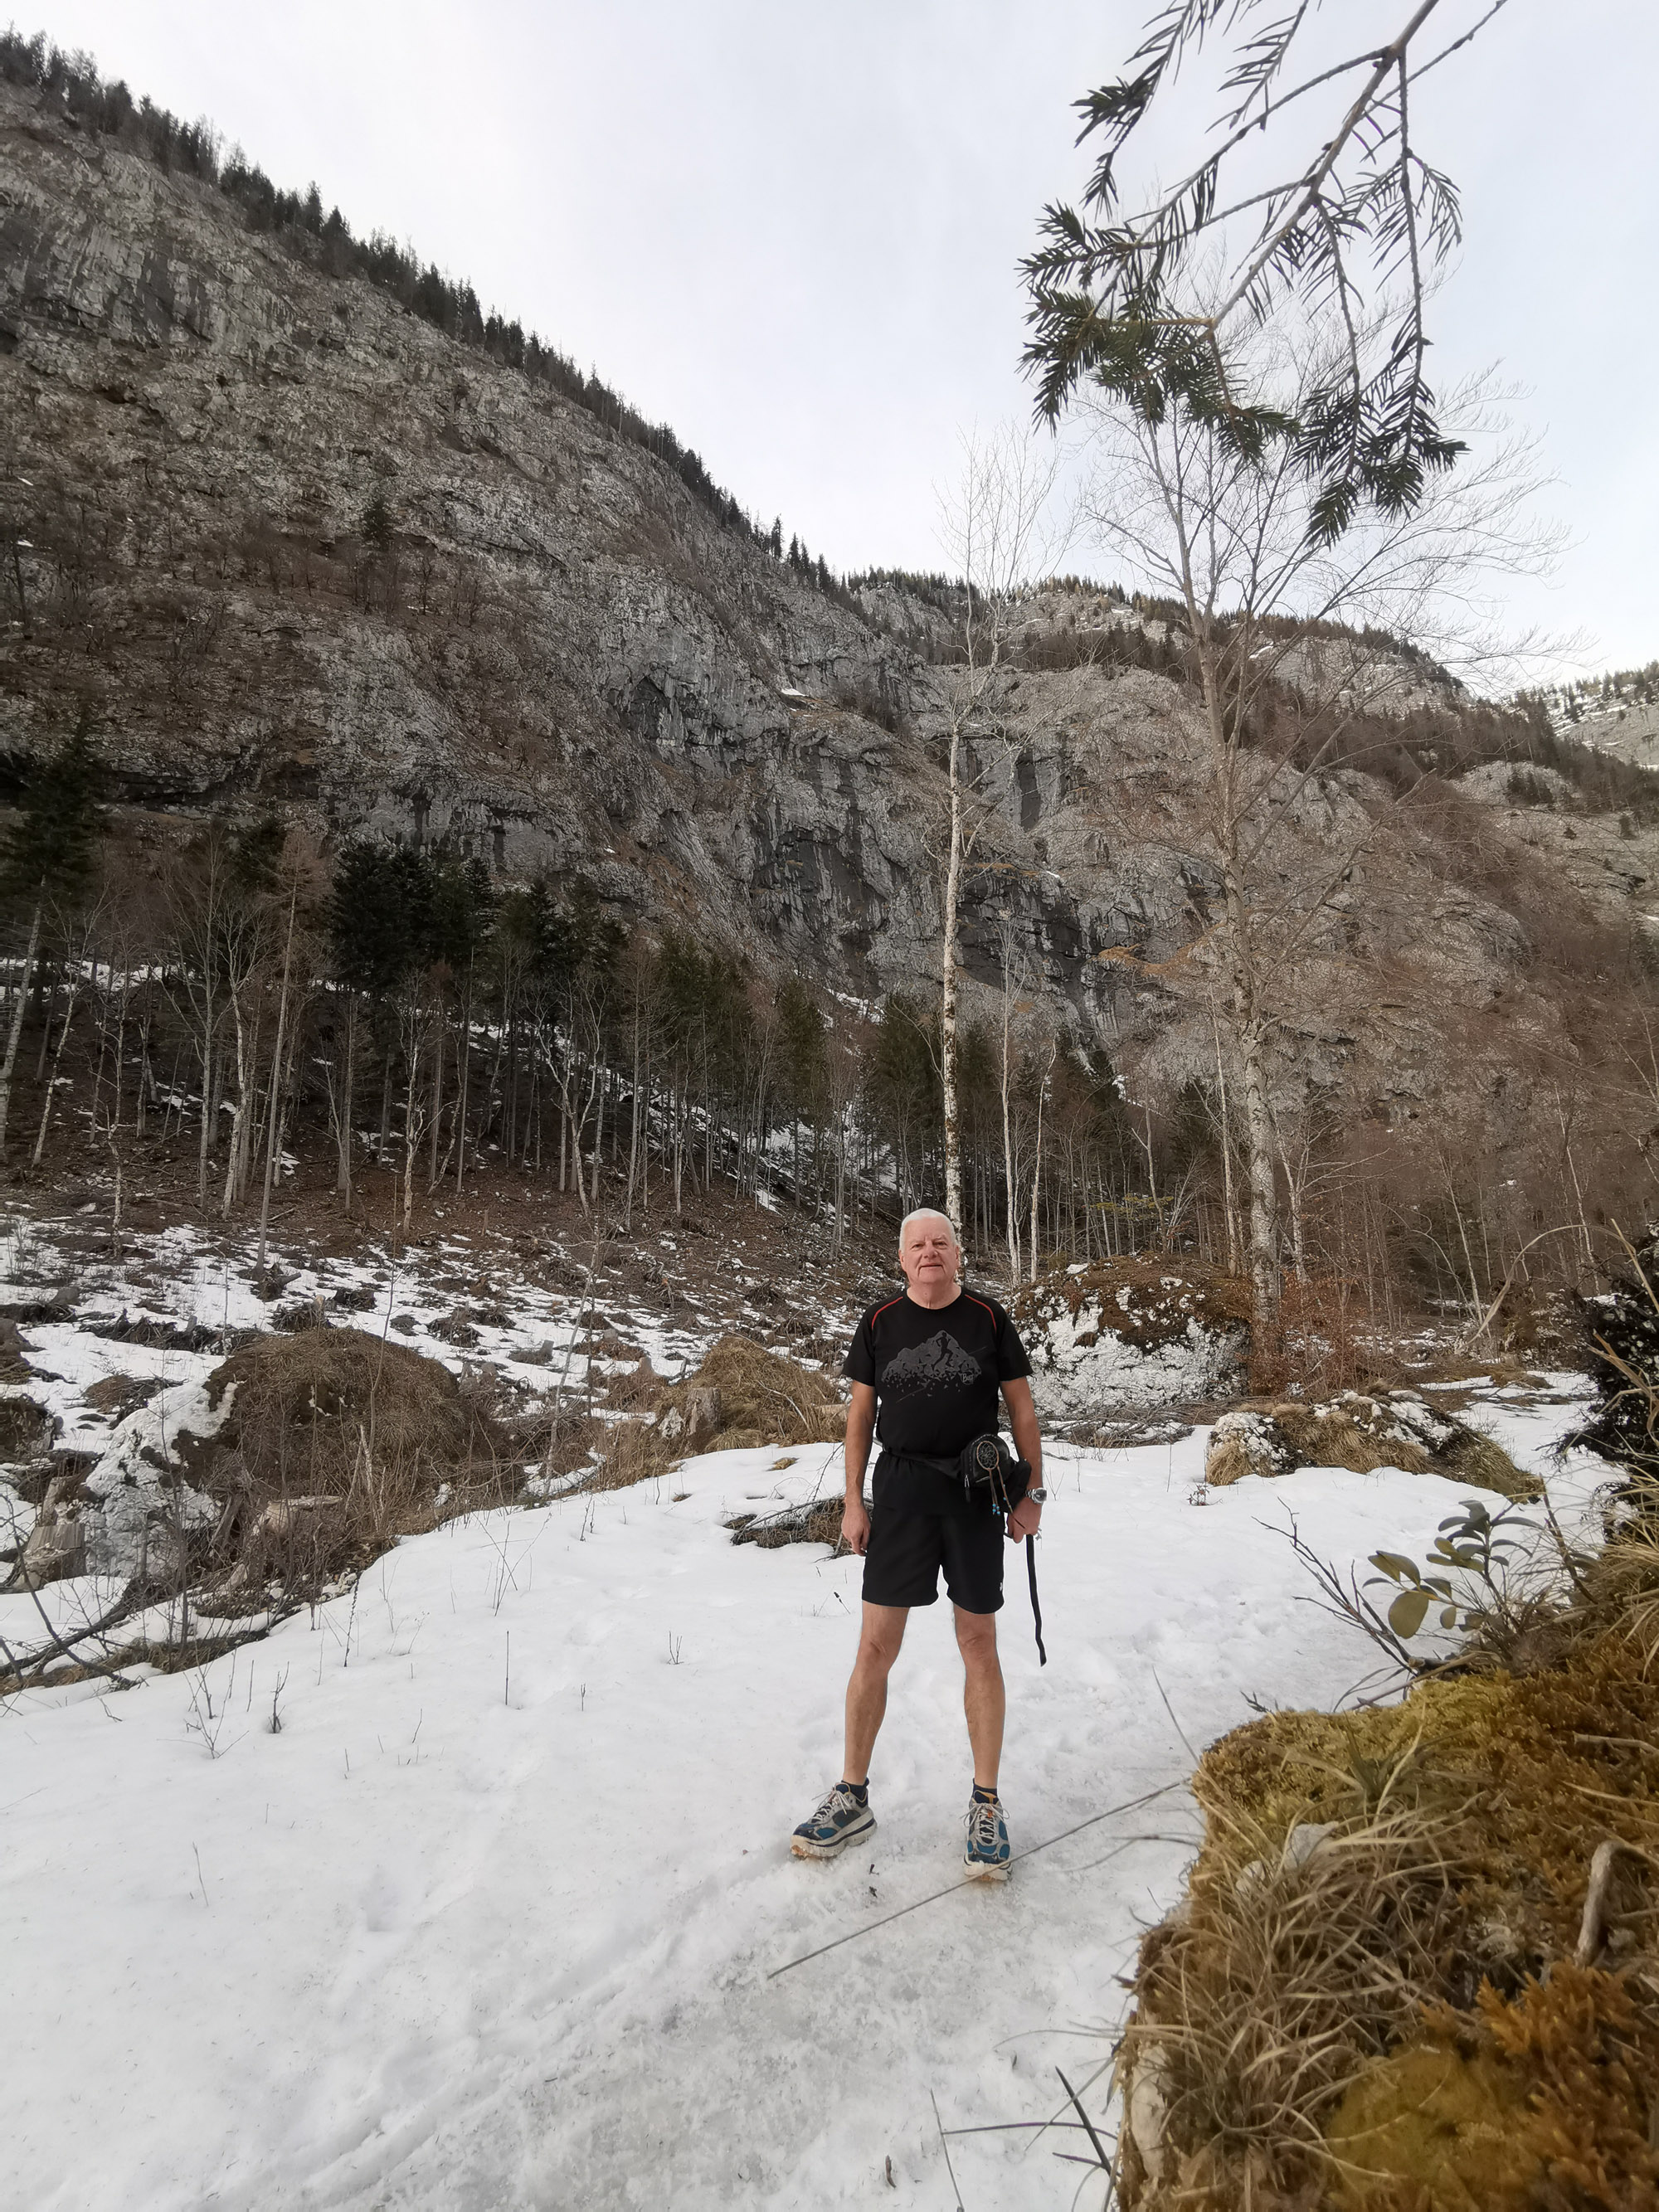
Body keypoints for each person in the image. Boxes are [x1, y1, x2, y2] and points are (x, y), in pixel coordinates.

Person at [791, 1208, 1046, 1879]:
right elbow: (860, 1415)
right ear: (901, 1258)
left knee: (978, 1643)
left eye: (941, 1242)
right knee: (875, 1648)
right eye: (917, 1245)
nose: (930, 1252)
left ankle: (986, 1803)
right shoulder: (879, 1322)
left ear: (957, 1253)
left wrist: (1032, 1492)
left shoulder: (989, 1319)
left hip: (974, 1496)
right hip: (901, 1495)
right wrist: (853, 1500)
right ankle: (852, 1795)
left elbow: (1022, 1409)